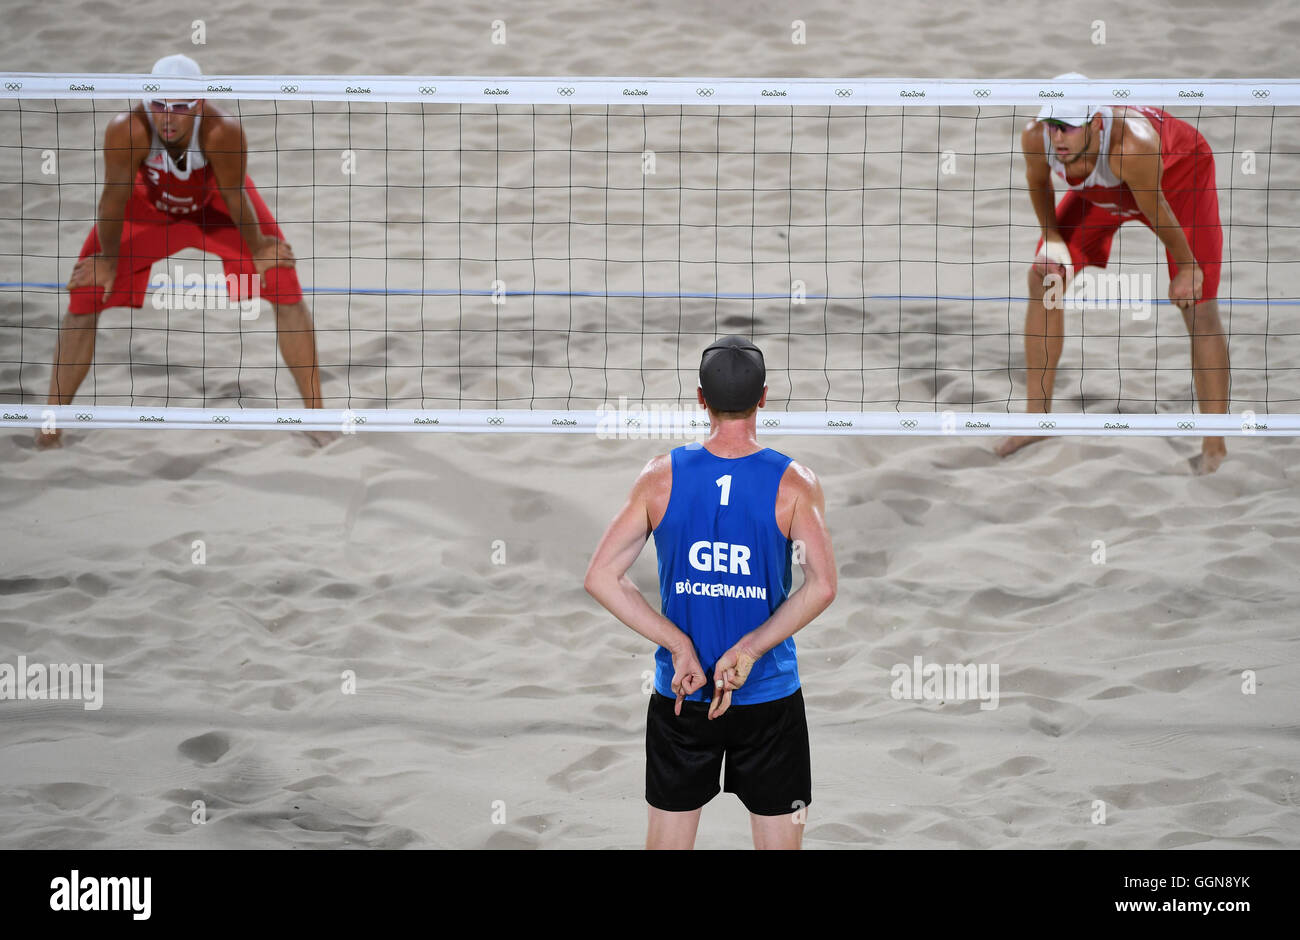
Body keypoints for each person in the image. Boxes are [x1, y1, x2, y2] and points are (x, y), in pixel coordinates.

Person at [584, 336, 837, 849]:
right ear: (764, 397)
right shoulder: (795, 483)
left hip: (683, 690)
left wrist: (677, 645)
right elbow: (823, 586)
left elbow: (601, 577)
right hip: (765, 691)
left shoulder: (660, 477)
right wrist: (749, 648)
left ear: (701, 399)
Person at [36, 53, 332, 448]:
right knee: (86, 291)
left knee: (281, 279)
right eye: (159, 105)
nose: (168, 117)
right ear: (148, 101)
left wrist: (260, 248)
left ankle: (317, 417)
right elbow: (113, 200)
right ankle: (50, 430)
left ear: (199, 104)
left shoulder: (222, 131)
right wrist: (107, 261)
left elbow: (235, 194)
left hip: (216, 208)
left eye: (180, 107)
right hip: (148, 209)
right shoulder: (127, 129)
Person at [996, 73, 1231, 474]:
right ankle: (1038, 419)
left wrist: (1188, 267)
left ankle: (1215, 444)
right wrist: (1051, 239)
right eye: (1054, 124)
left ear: (1097, 122)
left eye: (1069, 126)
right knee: (1044, 278)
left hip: (1177, 178)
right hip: (1107, 190)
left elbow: (1156, 208)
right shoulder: (1036, 136)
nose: (1058, 137)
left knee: (1198, 305)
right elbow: (1039, 185)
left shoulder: (1133, 146)